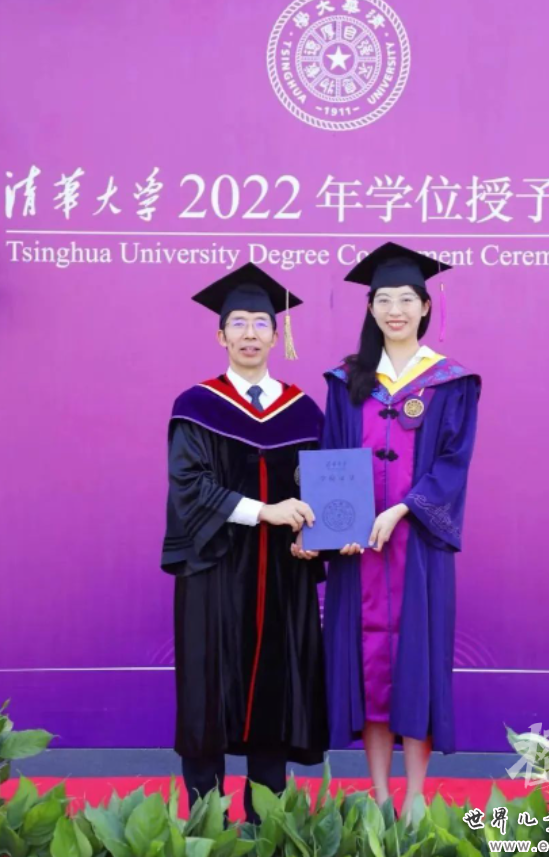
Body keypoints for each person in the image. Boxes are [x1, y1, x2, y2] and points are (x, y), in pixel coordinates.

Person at [161, 263, 328, 822]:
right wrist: (265, 511)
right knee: (207, 691)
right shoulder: (196, 406)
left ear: (276, 336)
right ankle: (206, 820)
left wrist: (314, 535)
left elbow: (324, 490)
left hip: (282, 572)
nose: (250, 333)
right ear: (221, 336)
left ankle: (267, 825)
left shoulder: (303, 411)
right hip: (214, 569)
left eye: (261, 323)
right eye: (238, 323)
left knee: (273, 692)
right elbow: (189, 486)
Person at [321, 242, 481, 818]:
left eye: (406, 299)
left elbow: (453, 463)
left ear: (425, 307)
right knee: (369, 671)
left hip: (419, 549)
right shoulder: (346, 381)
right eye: (384, 299)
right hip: (359, 550)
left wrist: (404, 508)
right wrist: (335, 524)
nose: (396, 310)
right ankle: (380, 793)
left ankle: (414, 794)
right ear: (370, 308)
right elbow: (332, 458)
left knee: (418, 665)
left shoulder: (450, 382)